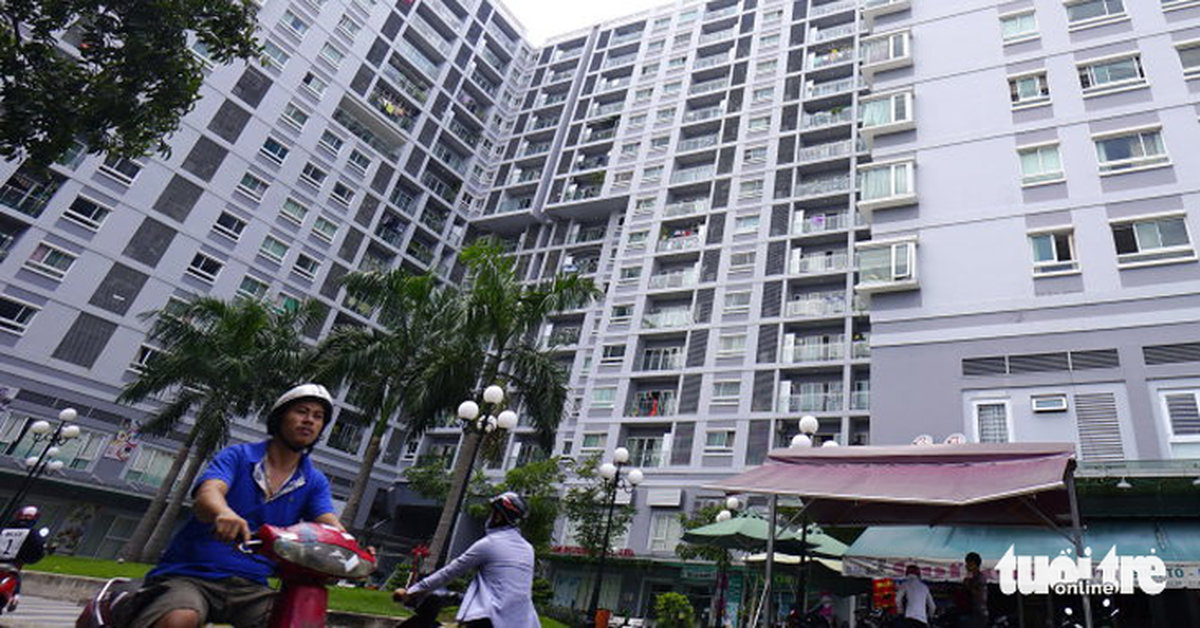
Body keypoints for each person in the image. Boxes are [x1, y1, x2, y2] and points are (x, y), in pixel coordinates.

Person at [131, 384, 343, 628]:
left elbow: (329, 523)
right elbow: (209, 492)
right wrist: (223, 513)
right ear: (279, 418)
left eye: (318, 416)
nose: (309, 421)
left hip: (251, 586)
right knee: (180, 618)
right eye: (301, 411)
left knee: (297, 623)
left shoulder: (314, 480)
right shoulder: (238, 456)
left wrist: (354, 550)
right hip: (190, 576)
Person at [394, 491, 539, 628]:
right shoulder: (528, 549)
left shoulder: (490, 544)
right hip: (522, 622)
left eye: (492, 513)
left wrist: (411, 591)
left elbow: (449, 573)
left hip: (490, 618)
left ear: (499, 516)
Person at [0, 505, 48, 611]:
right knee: (15, 576)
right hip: (12, 565)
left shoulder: (4, 530)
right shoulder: (32, 533)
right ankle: (15, 597)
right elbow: (37, 551)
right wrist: (26, 559)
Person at [960, 552, 988, 628]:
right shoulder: (972, 578)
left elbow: (981, 595)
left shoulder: (980, 578)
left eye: (968, 564)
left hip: (979, 613)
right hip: (973, 612)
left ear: (974, 564)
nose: (966, 566)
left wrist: (968, 586)